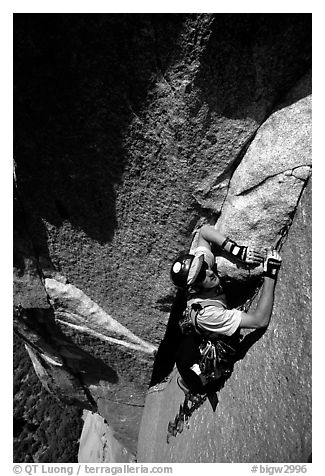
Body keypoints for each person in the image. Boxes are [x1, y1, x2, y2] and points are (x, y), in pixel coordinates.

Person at [170, 224, 282, 395]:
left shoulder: (200, 272)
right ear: (192, 289)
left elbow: (204, 232)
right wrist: (270, 275)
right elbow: (260, 321)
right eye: (201, 276)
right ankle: (193, 383)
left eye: (203, 266)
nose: (209, 272)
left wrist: (237, 250)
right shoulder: (207, 314)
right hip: (215, 340)